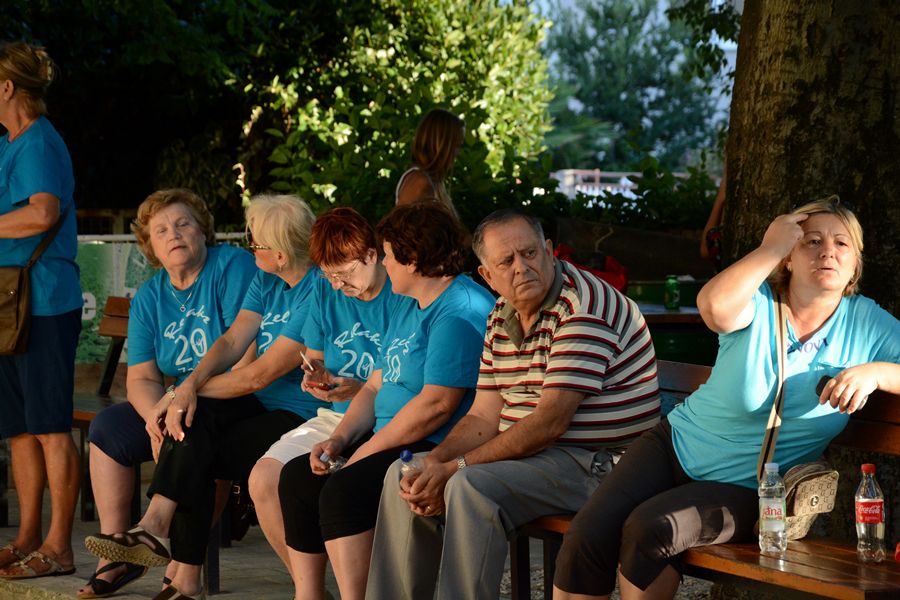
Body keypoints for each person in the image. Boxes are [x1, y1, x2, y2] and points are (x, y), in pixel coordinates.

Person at [552, 197, 900, 600]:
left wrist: (877, 373)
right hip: (671, 447)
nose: (828, 251)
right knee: (588, 533)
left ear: (855, 263)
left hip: (751, 487)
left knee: (650, 528)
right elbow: (712, 306)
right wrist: (768, 247)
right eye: (811, 241)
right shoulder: (759, 302)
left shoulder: (868, 323)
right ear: (787, 258)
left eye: (842, 244)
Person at [366, 209, 662, 600]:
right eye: (506, 261)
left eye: (529, 253)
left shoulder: (583, 307)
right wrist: (435, 462)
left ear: (550, 252)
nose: (521, 268)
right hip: (538, 458)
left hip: (600, 465)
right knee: (405, 474)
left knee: (470, 486)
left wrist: (456, 467)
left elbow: (549, 424)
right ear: (487, 275)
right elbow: (483, 416)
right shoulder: (500, 315)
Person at [84, 194, 327, 600]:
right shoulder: (268, 279)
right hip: (257, 403)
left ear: (280, 254)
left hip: (299, 413)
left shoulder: (316, 291)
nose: (251, 250)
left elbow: (257, 375)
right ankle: (159, 537)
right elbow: (232, 339)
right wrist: (188, 387)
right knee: (193, 429)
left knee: (196, 440)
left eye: (257, 243)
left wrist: (179, 394)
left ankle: (173, 561)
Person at [278, 202, 494, 600]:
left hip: (430, 446)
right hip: (391, 437)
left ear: (413, 261)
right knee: (298, 478)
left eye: (390, 256)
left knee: (344, 490)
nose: (385, 265)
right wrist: (339, 442)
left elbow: (436, 407)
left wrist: (361, 456)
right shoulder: (410, 301)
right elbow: (376, 385)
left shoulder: (458, 311)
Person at [76, 188, 257, 597]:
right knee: (107, 430)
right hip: (175, 402)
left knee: (190, 426)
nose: (173, 234)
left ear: (202, 231)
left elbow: (244, 358)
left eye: (183, 223)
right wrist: (154, 418)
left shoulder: (232, 266)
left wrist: (177, 404)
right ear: (151, 247)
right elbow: (141, 378)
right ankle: (117, 557)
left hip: (232, 399)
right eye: (161, 230)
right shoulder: (151, 297)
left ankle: (176, 563)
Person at [248, 206, 405, 576]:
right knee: (263, 478)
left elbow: (398, 382)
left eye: (345, 273)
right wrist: (316, 375)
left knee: (327, 484)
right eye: (329, 274)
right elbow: (316, 356)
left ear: (372, 255)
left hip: (388, 417)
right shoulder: (325, 288)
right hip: (336, 416)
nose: (338, 284)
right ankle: (310, 588)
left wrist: (358, 389)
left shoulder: (401, 290)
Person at [0, 41, 82, 580]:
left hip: (45, 299)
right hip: (10, 300)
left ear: (7, 87)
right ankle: (29, 537)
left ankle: (59, 545)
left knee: (51, 426)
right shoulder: (10, 143)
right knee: (20, 429)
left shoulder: (38, 144)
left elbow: (42, 211)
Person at [395, 108, 465, 216]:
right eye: (456, 146)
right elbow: (400, 228)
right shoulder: (420, 182)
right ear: (441, 145)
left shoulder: (434, 182)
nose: (458, 153)